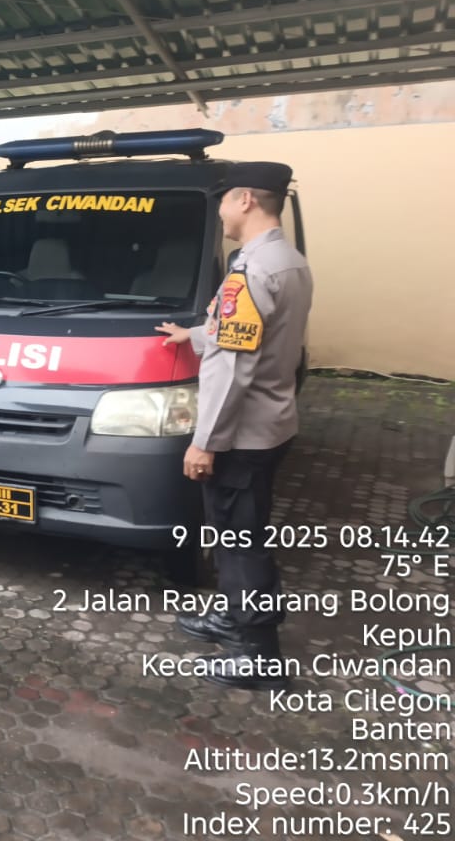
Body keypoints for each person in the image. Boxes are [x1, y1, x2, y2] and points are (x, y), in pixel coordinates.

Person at [155, 162, 313, 691]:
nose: (220, 211)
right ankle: (231, 616)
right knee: (236, 535)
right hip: (272, 422)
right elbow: (246, 333)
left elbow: (234, 365)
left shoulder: (252, 271)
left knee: (241, 543)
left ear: (245, 199)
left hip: (241, 434)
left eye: (223, 200)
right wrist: (196, 334)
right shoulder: (286, 261)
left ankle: (259, 655)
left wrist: (205, 442)